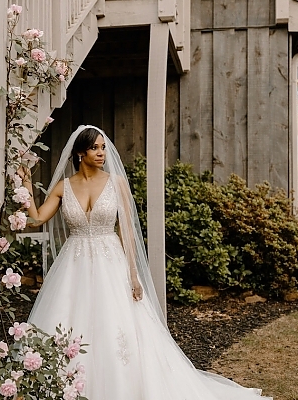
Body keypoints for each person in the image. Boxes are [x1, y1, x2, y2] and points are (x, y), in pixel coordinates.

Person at [19, 125, 271, 400]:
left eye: (103, 147)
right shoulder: (63, 187)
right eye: (95, 148)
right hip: (74, 265)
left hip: (111, 263)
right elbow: (36, 218)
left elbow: (126, 231)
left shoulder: (116, 183)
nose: (102, 153)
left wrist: (134, 275)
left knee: (119, 326)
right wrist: (27, 184)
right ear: (80, 153)